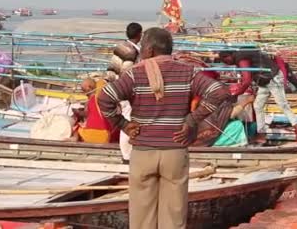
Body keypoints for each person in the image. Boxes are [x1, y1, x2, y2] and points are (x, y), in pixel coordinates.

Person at [98, 28, 233, 229]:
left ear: (150, 50)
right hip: (175, 150)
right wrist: (192, 120)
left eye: (142, 46)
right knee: (174, 219)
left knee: (142, 220)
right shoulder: (188, 72)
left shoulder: (135, 74)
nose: (141, 50)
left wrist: (122, 124)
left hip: (143, 151)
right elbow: (219, 92)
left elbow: (105, 98)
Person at [219, 51, 297, 144]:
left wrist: (236, 95)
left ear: (229, 56)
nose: (226, 62)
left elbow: (247, 80)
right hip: (264, 81)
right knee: (258, 106)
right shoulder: (240, 57)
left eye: (225, 60)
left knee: (283, 105)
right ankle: (261, 134)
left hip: (273, 78)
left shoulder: (241, 57)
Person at [107, 22, 143, 164]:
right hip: (126, 91)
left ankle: (128, 153)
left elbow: (111, 70)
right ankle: (127, 155)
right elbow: (128, 73)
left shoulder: (120, 47)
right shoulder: (132, 52)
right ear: (139, 34)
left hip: (116, 87)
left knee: (126, 119)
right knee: (128, 120)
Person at [75, 78, 120, 143]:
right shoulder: (110, 98)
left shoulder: (93, 99)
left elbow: (88, 114)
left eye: (83, 90)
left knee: (77, 127)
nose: (84, 93)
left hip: (96, 135)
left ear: (89, 88)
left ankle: (74, 138)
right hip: (109, 136)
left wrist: (79, 113)